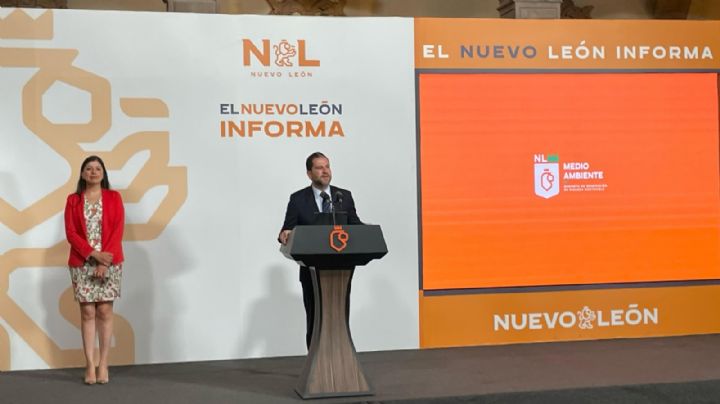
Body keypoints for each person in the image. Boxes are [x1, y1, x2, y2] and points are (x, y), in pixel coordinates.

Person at [278, 152, 362, 348]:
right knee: (315, 318)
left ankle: (341, 358)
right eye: (319, 167)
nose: (325, 171)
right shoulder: (298, 199)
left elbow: (355, 225)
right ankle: (316, 360)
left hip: (341, 269)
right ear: (309, 173)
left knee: (339, 317)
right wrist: (285, 233)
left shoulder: (343, 196)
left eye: (327, 166)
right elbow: (287, 229)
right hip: (311, 270)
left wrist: (367, 230)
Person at [64, 156, 124, 385]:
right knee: (88, 312)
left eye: (98, 168)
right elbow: (71, 233)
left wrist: (103, 261)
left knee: (105, 311)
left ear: (103, 173)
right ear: (82, 174)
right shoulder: (73, 200)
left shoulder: (114, 197)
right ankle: (90, 364)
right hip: (82, 262)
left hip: (109, 261)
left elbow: (117, 230)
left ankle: (104, 363)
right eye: (88, 168)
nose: (93, 172)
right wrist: (93, 254)